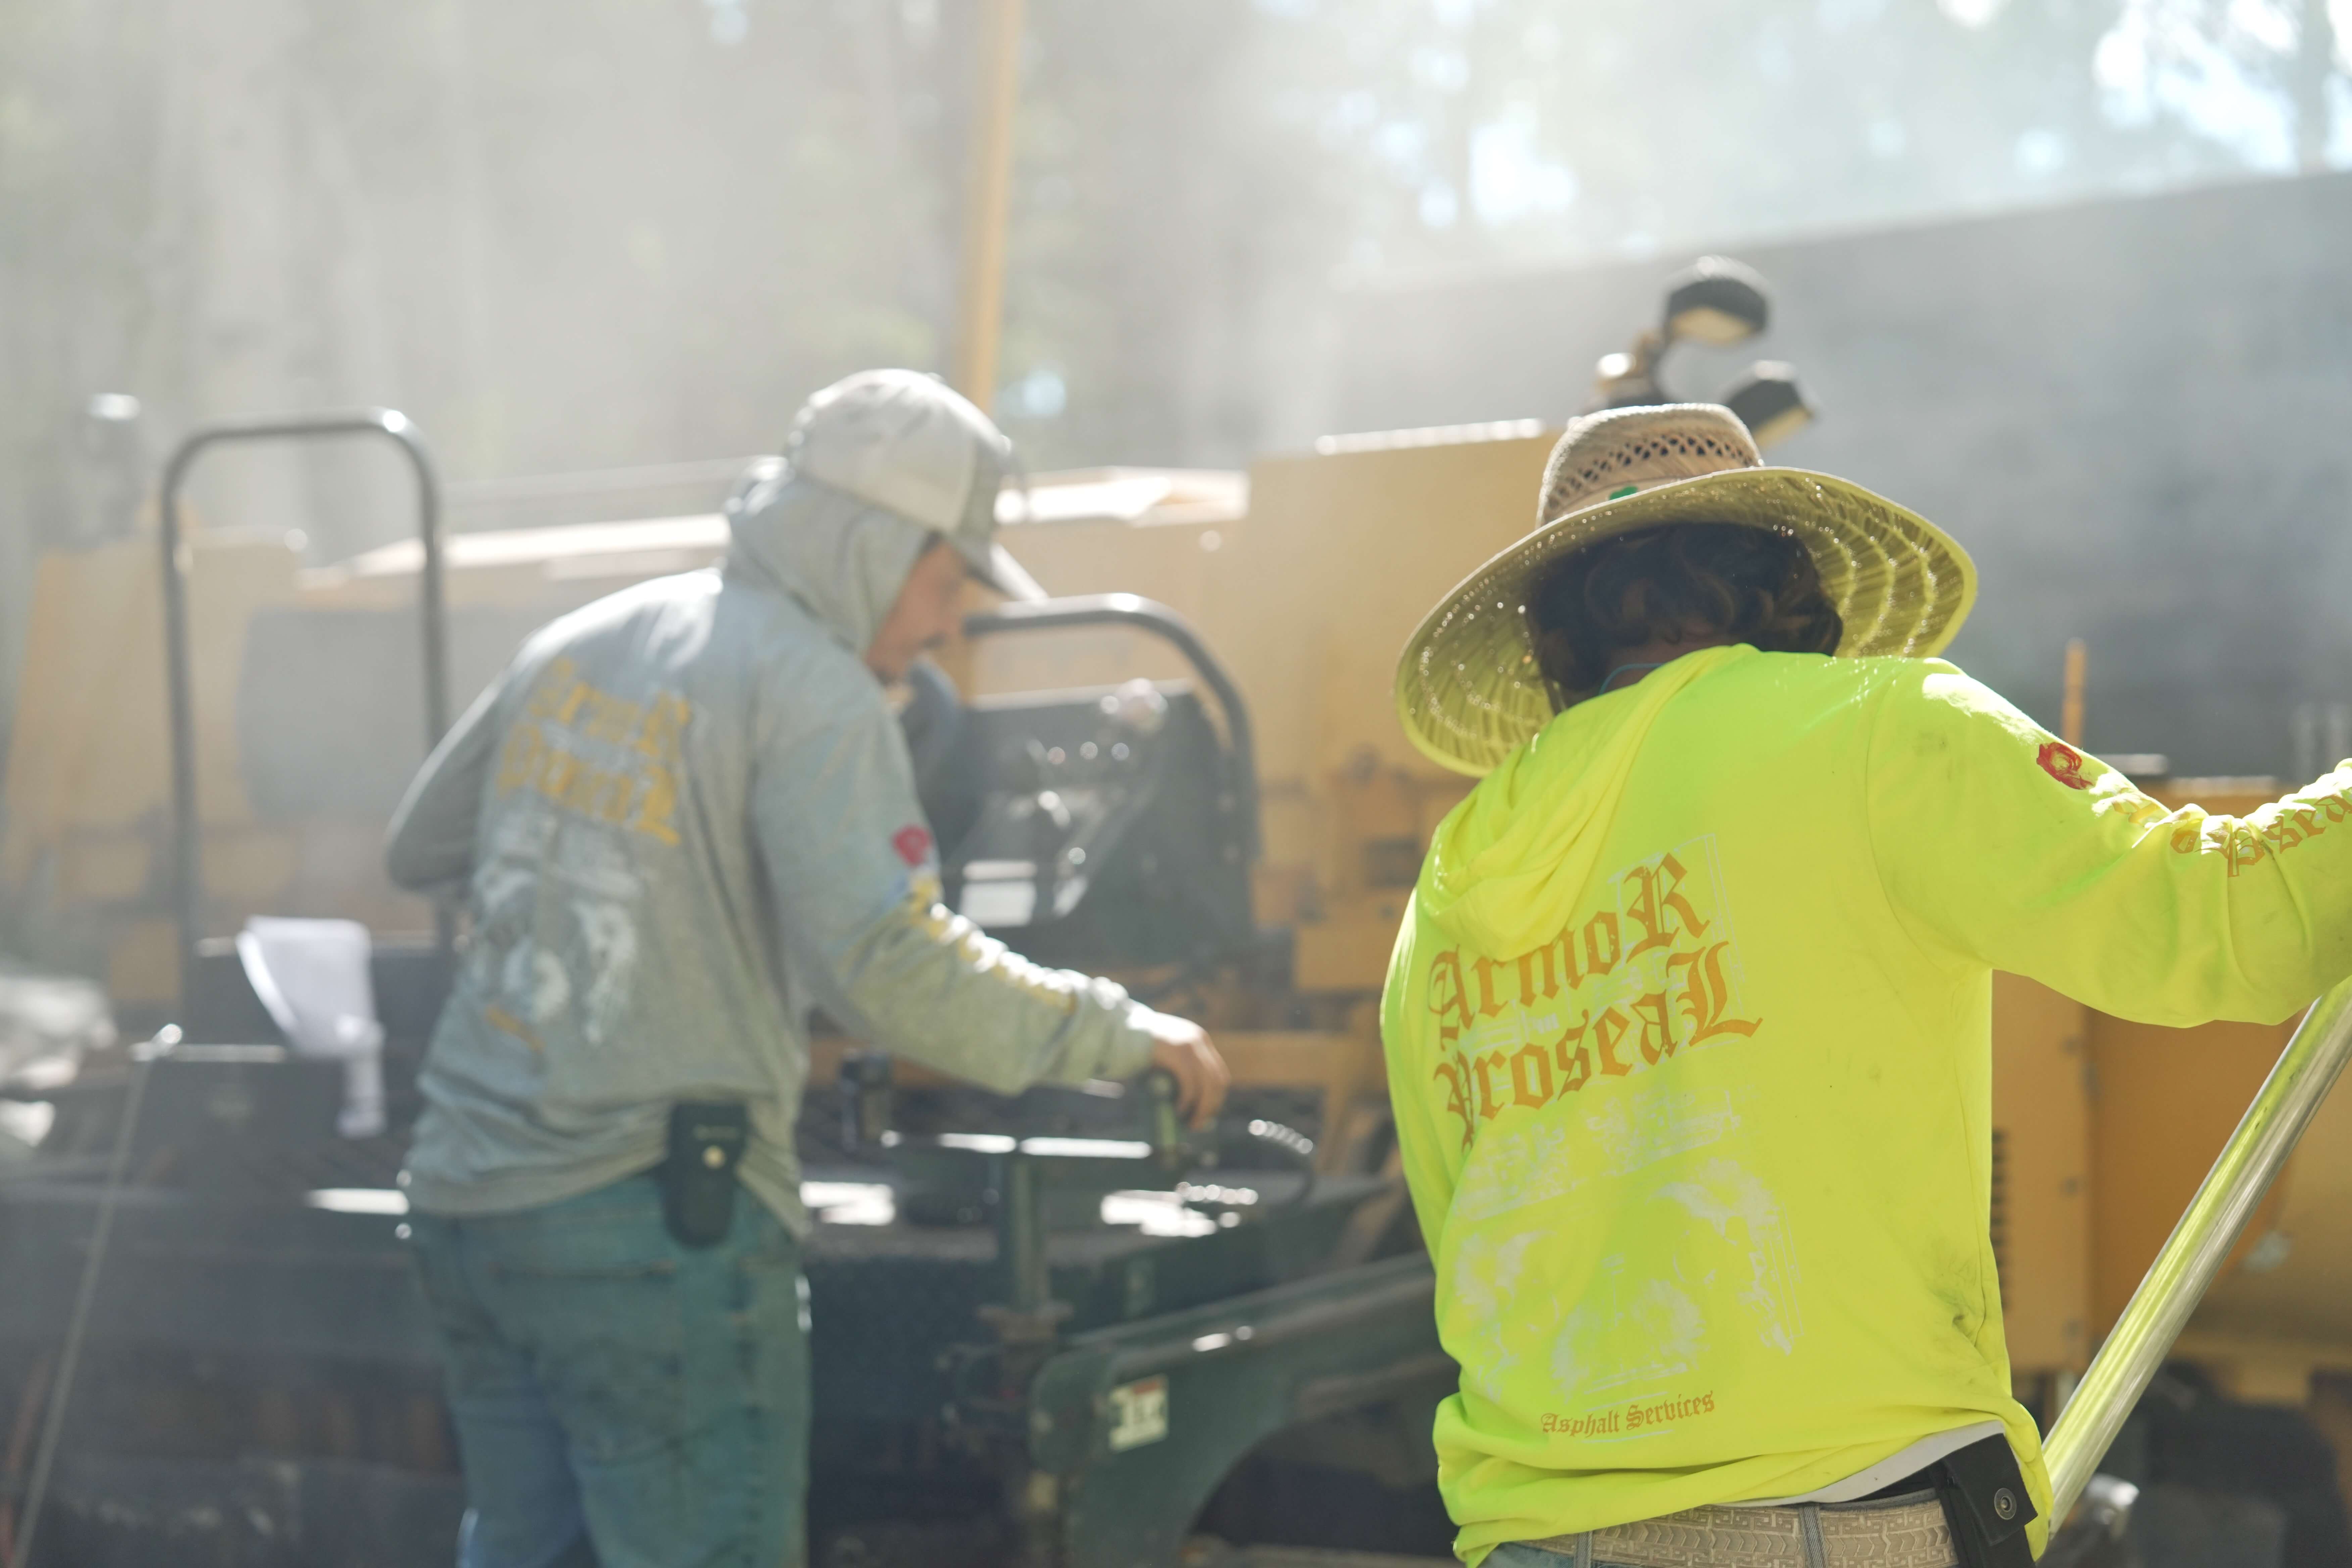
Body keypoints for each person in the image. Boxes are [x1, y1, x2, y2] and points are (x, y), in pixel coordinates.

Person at [1380, 402, 2352, 1568]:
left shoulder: (1449, 876)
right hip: (1832, 1523)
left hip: (1534, 1534)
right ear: (1785, 574)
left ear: (1552, 635)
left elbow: (1465, 1228)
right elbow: (2224, 926)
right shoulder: (1878, 731)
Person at [384, 369, 1230, 1568]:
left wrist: (605, 878)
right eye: (943, 579)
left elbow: (420, 846)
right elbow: (891, 969)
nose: (943, 623)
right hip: (647, 1232)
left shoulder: (588, 640)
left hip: (472, 1207)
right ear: (866, 543)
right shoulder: (813, 689)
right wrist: (1122, 1032)